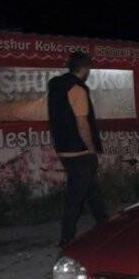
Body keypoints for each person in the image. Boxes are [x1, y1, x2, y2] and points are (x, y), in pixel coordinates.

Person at [48, 52, 109, 248]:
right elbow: (82, 122)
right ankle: (66, 238)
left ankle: (106, 227)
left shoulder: (57, 86)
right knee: (76, 197)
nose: (89, 72)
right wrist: (91, 149)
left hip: (64, 149)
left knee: (92, 191)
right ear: (84, 69)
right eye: (89, 69)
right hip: (80, 151)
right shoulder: (77, 89)